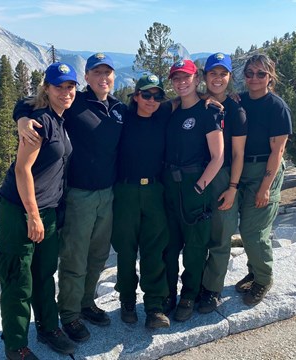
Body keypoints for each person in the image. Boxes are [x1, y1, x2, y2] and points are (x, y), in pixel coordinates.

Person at [14, 53, 125, 342]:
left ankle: (86, 303)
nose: (103, 77)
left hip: (108, 194)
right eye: (96, 72)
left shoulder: (118, 108)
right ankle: (70, 314)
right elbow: (27, 102)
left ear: (113, 77)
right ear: (86, 77)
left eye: (108, 72)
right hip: (79, 195)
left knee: (99, 255)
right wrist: (22, 120)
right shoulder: (74, 100)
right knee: (75, 257)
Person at [0, 62, 78, 359]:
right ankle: (16, 346)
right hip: (20, 209)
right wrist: (32, 214)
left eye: (70, 86)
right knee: (19, 278)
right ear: (47, 89)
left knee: (45, 273)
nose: (66, 92)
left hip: (49, 210)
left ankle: (48, 328)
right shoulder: (39, 122)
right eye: (59, 87)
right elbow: (22, 169)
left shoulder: (59, 117)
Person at [162, 59, 224, 322]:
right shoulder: (172, 111)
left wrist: (200, 186)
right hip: (170, 185)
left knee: (195, 246)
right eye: (176, 78)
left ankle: (189, 294)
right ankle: (168, 294)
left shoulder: (208, 111)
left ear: (196, 78)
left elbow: (217, 156)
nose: (181, 82)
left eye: (186, 77)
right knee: (170, 244)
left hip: (194, 185)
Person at [111, 74, 172, 329]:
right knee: (125, 251)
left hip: (154, 191)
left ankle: (154, 307)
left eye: (157, 95)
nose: (151, 100)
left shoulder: (163, 116)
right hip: (125, 190)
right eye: (146, 94)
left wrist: (212, 99)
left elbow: (188, 98)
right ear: (135, 96)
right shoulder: (122, 117)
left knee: (154, 249)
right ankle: (126, 300)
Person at [234, 54, 292, 306]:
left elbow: (277, 152)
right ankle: (255, 271)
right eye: (249, 73)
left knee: (253, 230)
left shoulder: (276, 107)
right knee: (247, 227)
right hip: (240, 169)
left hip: (264, 169)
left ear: (270, 76)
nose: (254, 78)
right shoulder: (240, 100)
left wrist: (265, 188)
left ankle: (264, 278)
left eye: (261, 73)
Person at [197, 53, 247, 314]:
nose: (217, 78)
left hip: (224, 177)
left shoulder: (236, 110)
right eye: (213, 73)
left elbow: (238, 154)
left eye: (223, 74)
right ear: (204, 77)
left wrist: (233, 188)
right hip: (196, 175)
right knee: (197, 236)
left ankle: (212, 290)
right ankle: (194, 284)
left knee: (220, 236)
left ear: (229, 77)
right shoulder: (197, 103)